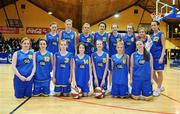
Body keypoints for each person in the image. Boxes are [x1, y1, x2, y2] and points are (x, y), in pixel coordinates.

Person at [150, 21, 166, 96]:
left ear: (158, 25)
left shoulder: (161, 34)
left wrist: (162, 57)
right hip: (152, 57)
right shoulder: (152, 35)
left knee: (159, 72)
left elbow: (164, 47)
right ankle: (160, 86)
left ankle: (158, 88)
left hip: (159, 56)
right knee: (152, 73)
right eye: (152, 25)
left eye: (155, 25)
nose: (153, 26)